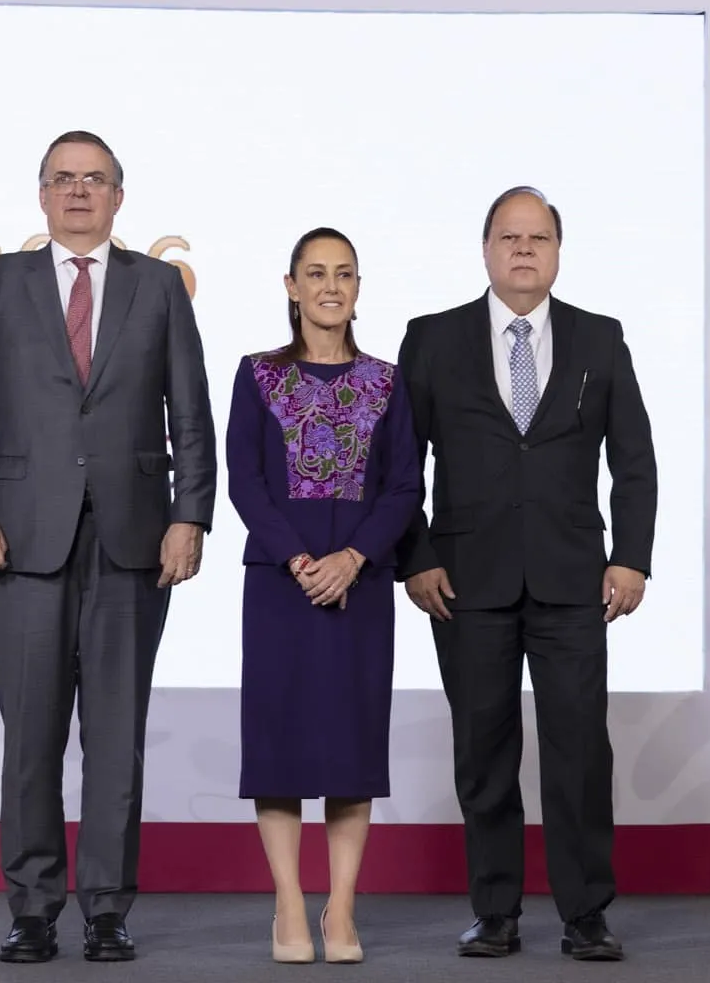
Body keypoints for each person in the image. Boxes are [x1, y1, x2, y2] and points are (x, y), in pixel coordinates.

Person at [0, 130, 216, 965]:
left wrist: (189, 515)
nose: (80, 192)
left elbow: (191, 415)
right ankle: (31, 908)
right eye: (64, 180)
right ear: (42, 195)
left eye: (96, 180)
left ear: (120, 197)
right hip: (17, 540)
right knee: (30, 733)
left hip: (134, 539)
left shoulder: (159, 287)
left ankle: (105, 908)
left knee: (116, 734)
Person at [394, 187, 657, 962]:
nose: (523, 250)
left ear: (557, 252)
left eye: (538, 238)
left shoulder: (599, 338)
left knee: (580, 750)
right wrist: (416, 557)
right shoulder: (432, 339)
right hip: (464, 581)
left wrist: (633, 557)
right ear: (484, 249)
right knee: (483, 749)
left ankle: (585, 913)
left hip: (574, 579)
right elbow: (399, 468)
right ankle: (495, 910)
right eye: (509, 237)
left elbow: (634, 461)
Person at [225, 227, 422, 965]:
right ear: (291, 286)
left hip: (360, 587)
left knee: (351, 746)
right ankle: (287, 905)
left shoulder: (389, 381)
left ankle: (340, 909)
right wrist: (301, 558)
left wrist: (353, 557)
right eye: (315, 273)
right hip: (280, 585)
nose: (330, 286)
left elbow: (405, 485)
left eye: (343, 274)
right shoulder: (255, 375)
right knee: (278, 748)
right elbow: (244, 479)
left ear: (358, 288)